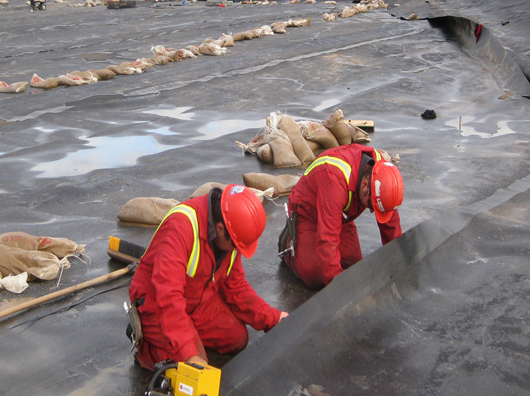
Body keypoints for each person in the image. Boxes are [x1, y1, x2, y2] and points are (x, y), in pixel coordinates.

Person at [127, 184, 288, 370]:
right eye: (235, 246)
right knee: (192, 365)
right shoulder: (180, 228)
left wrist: (273, 318)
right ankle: (147, 351)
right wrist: (190, 354)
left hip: (196, 300)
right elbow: (168, 298)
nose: (236, 251)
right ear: (220, 229)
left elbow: (236, 287)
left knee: (237, 338)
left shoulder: (231, 232)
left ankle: (188, 336)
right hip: (156, 305)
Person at [279, 143, 404, 289]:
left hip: (339, 213)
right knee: (316, 274)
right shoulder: (335, 180)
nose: (371, 211)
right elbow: (327, 237)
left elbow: (390, 220)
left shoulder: (381, 175)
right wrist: (340, 289)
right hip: (308, 213)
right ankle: (290, 250)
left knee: (353, 264)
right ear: (365, 185)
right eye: (371, 206)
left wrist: (399, 259)